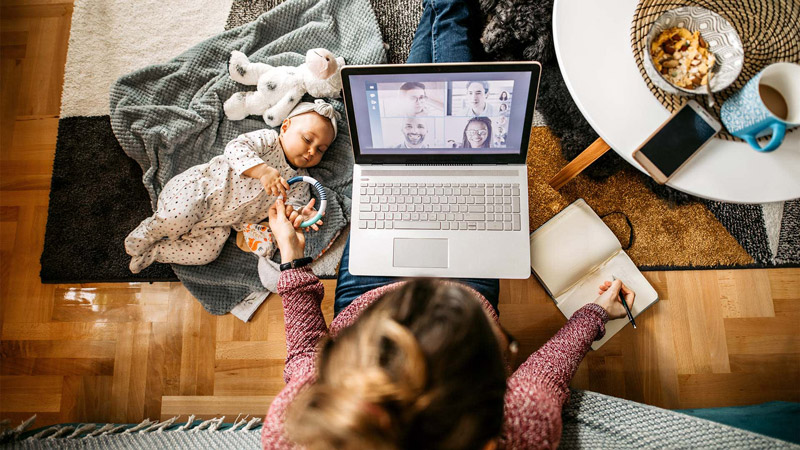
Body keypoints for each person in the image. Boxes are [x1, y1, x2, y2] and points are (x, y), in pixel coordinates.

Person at [262, 197, 636, 449]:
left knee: (388, 199)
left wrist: (292, 259)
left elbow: (304, 355)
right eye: (503, 343)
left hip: (365, 286)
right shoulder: (524, 429)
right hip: (467, 283)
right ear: (493, 393)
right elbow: (546, 375)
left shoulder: (297, 426)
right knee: (471, 203)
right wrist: (595, 313)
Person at [124, 100, 334, 273]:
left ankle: (155, 252)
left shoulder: (299, 181)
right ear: (285, 127)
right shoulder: (269, 141)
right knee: (178, 217)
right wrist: (262, 170)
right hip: (202, 191)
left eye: (320, 150)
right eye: (307, 139)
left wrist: (300, 215)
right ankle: (149, 232)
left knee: (206, 253)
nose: (311, 151)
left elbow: (290, 208)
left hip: (219, 224)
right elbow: (235, 148)